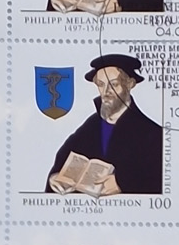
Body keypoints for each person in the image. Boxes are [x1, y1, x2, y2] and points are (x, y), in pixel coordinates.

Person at [44, 54, 163, 194]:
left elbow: (159, 177)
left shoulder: (152, 132)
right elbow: (63, 160)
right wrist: (55, 178)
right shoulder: (90, 125)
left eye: (114, 84)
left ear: (130, 84)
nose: (106, 92)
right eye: (101, 85)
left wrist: (122, 183)